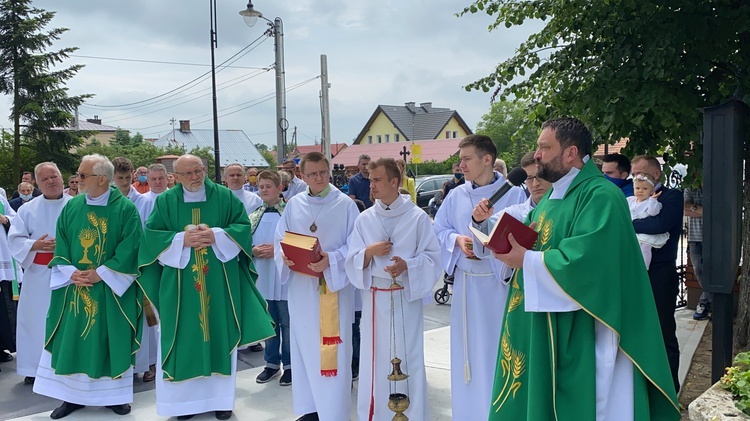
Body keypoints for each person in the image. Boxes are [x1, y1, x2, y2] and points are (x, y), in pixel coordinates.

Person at [490, 118, 679, 420]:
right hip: (546, 322)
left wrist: (526, 259)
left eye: (544, 147)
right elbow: (536, 244)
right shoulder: (551, 197)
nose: (536, 155)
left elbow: (589, 262)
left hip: (588, 327)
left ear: (570, 153)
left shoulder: (601, 196)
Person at [138, 154, 274, 420]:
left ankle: (221, 401)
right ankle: (183, 406)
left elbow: (242, 228)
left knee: (220, 336)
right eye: (187, 173)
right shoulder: (166, 201)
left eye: (198, 170)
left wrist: (216, 235)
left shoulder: (224, 197)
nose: (194, 177)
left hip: (219, 283)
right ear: (175, 177)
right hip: (179, 289)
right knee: (180, 337)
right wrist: (181, 239)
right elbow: (151, 238)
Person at [33, 154, 142, 419]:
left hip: (109, 290)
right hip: (75, 289)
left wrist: (100, 274)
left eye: (83, 175)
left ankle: (114, 397)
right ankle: (71, 397)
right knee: (73, 340)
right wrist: (71, 273)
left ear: (102, 179)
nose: (77, 180)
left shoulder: (125, 209)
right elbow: (63, 244)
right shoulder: (72, 207)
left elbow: (131, 248)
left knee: (109, 339)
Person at [432, 134, 526, 421]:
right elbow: (439, 230)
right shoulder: (457, 195)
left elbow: (522, 237)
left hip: (499, 285)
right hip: (467, 286)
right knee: (468, 355)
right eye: (460, 159)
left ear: (487, 159)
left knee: (497, 353)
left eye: (466, 158)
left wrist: (492, 251)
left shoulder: (514, 194)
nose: (461, 165)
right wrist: (458, 241)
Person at [346, 158, 442, 421]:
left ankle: (413, 415)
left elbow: (434, 258)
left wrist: (408, 266)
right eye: (370, 179)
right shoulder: (365, 219)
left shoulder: (417, 218)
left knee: (408, 357)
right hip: (375, 297)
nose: (371, 185)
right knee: (373, 361)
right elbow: (351, 259)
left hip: (404, 299)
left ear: (394, 182)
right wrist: (368, 252)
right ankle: (375, 414)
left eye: (377, 180)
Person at [274, 152, 359, 421]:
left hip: (333, 288)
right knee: (303, 347)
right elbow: (281, 239)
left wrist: (331, 260)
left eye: (323, 172)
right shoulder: (294, 204)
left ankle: (334, 412)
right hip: (301, 287)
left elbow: (356, 245)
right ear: (302, 176)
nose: (319, 178)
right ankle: (308, 408)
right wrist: (284, 257)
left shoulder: (345, 205)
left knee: (333, 349)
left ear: (329, 171)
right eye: (312, 174)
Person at [9, 162, 71, 385]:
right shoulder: (27, 209)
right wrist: (35, 245)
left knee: (67, 321)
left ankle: (68, 365)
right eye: (44, 179)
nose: (51, 182)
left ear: (61, 177)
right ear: (36, 183)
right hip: (38, 274)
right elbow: (14, 239)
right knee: (34, 321)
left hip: (70, 275)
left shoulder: (77, 205)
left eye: (54, 176)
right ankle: (34, 367)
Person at [631, 154, 684, 394]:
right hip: (634, 270)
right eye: (634, 174)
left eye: (642, 173)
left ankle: (670, 389)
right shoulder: (631, 198)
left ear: (656, 174)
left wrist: (629, 224)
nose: (637, 178)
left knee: (664, 331)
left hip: (661, 273)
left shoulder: (672, 196)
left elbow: (659, 225)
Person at [251, 170, 292, 386]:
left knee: (287, 322)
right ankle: (271, 363)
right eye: (261, 186)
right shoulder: (254, 216)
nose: (264, 190)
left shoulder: (289, 213)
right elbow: (243, 244)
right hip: (264, 276)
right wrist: (253, 251)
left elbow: (297, 240)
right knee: (269, 323)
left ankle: (290, 364)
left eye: (269, 186)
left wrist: (276, 249)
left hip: (284, 275)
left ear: (280, 188)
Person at [628, 174, 669, 268]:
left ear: (651, 191)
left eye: (645, 189)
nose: (640, 191)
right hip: (632, 231)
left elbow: (653, 213)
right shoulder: (630, 200)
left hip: (645, 232)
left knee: (645, 246)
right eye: (637, 188)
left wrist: (653, 200)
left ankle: (643, 267)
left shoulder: (652, 202)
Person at [684, 186, 708, 320]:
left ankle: (704, 303)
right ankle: (711, 299)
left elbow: (715, 211)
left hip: (711, 239)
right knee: (698, 269)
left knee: (712, 271)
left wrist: (694, 208)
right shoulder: (690, 188)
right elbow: (684, 209)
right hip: (694, 238)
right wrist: (701, 210)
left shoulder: (712, 188)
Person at [0, 189, 17, 370]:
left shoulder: (0, 198)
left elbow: (15, 220)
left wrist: (5, 220)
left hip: (1, 259)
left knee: (3, 308)